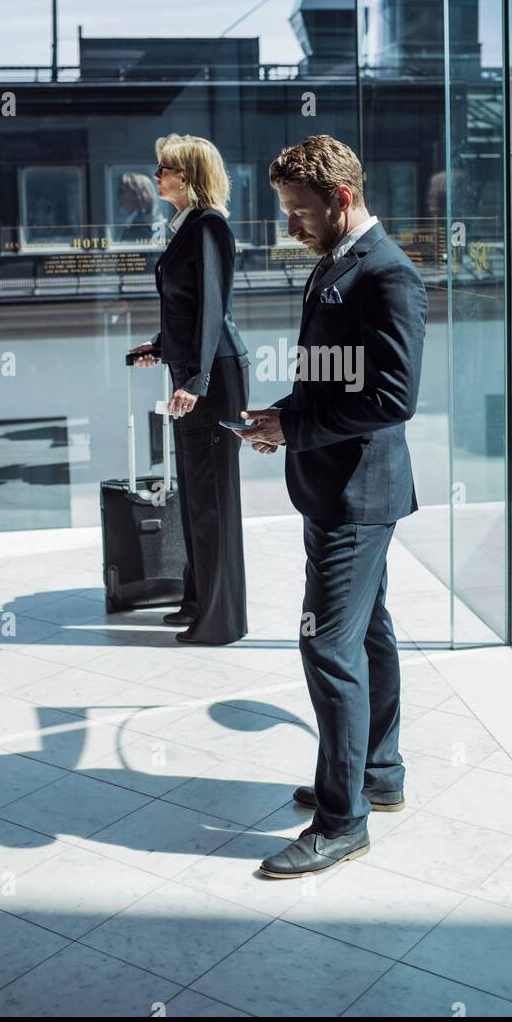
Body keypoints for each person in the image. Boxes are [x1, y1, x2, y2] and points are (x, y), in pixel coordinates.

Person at [232, 135, 428, 877]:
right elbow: (331, 380)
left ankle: (341, 820)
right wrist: (279, 416)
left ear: (341, 199)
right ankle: (376, 776)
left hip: (357, 494)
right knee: (367, 631)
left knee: (325, 646)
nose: (290, 224)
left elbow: (391, 399)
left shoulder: (388, 275)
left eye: (298, 210)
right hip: (332, 483)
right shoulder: (336, 265)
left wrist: (297, 428)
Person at [129, 133, 249, 645]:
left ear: (189, 176)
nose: (156, 175)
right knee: (198, 498)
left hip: (212, 379)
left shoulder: (208, 226)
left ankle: (221, 622)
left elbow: (212, 309)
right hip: (196, 373)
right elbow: (187, 308)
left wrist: (195, 380)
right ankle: (199, 601)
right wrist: (160, 345)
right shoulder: (185, 227)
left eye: (165, 168)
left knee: (212, 501)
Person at [115, 171, 159, 245]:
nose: (119, 195)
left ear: (139, 195)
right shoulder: (134, 221)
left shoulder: (142, 226)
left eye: (123, 191)